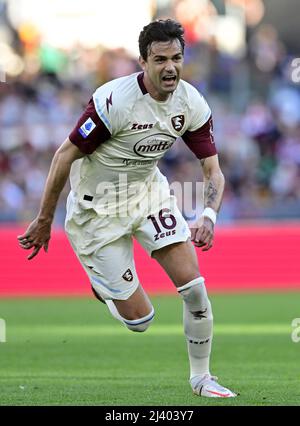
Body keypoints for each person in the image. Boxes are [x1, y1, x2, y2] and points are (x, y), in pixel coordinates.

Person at [18, 19, 237, 398]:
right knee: (141, 321)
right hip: (95, 214)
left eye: (177, 58)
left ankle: (202, 379)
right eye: (160, 59)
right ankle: (104, 287)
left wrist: (209, 215)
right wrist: (43, 219)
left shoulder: (191, 103)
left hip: (146, 196)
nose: (170, 67)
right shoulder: (113, 102)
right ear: (143, 62)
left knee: (195, 289)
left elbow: (212, 170)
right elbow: (63, 156)